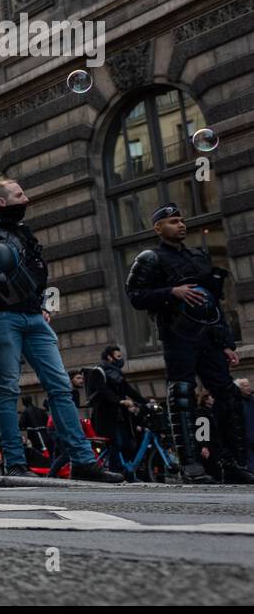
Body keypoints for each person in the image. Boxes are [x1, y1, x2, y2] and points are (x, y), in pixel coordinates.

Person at [0, 178, 122, 482]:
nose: (26, 198)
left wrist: (42, 306)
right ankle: (15, 462)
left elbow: (34, 274)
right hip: (2, 320)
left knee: (61, 387)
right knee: (8, 387)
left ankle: (83, 462)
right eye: (19, 194)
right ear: (1, 202)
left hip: (35, 319)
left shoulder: (23, 233)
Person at [126, 204, 254, 484]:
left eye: (182, 220)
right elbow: (135, 295)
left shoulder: (199, 257)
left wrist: (226, 342)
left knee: (228, 396)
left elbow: (213, 303)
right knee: (182, 396)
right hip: (178, 336)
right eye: (173, 221)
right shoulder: (151, 258)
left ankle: (231, 461)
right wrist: (171, 291)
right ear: (158, 228)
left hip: (208, 337)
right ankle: (190, 463)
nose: (181, 225)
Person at [85, 346, 148, 480]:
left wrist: (145, 401)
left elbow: (128, 389)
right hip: (105, 416)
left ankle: (128, 472)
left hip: (121, 417)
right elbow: (103, 391)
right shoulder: (99, 371)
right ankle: (114, 471)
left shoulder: (117, 373)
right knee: (115, 443)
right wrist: (120, 401)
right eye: (118, 357)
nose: (121, 360)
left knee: (128, 443)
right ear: (109, 357)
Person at [48, 369, 87, 477]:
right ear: (70, 380)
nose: (81, 381)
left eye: (82, 378)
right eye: (78, 378)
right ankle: (50, 476)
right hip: (58, 426)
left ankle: (55, 476)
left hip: (56, 426)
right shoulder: (68, 392)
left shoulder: (73, 392)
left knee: (60, 453)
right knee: (66, 454)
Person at [236, 378, 254, 472]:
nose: (249, 387)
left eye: (248, 385)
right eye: (246, 386)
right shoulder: (237, 402)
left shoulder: (252, 400)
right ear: (239, 388)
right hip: (245, 437)